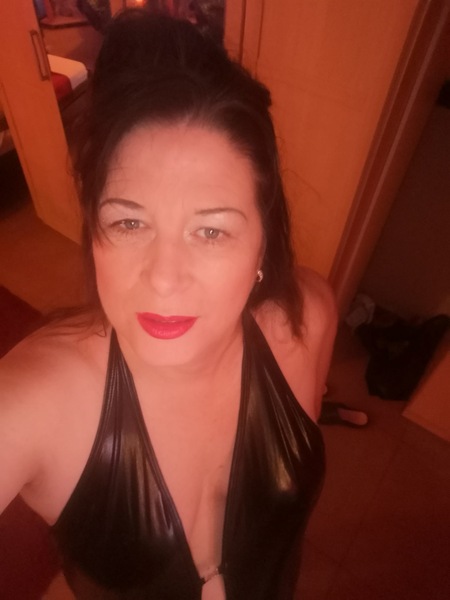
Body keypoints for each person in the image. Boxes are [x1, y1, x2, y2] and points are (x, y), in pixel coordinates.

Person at [0, 9, 337, 600]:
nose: (162, 279)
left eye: (211, 231)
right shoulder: (34, 402)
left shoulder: (306, 318)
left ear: (263, 243)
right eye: (129, 222)